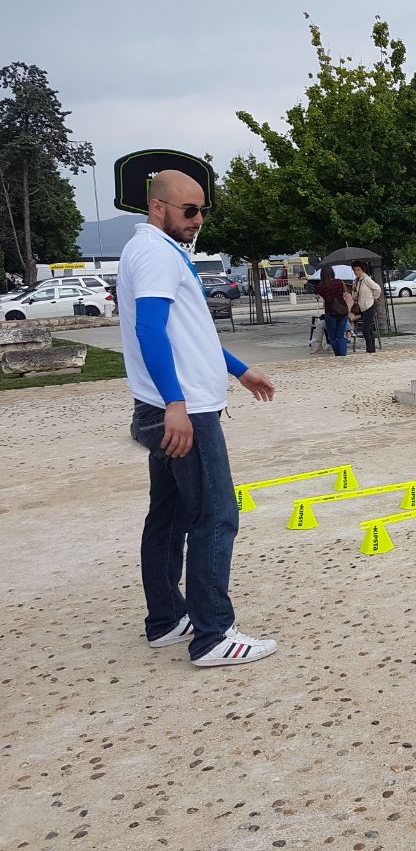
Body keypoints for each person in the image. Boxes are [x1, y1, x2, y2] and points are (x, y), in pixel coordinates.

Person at [116, 169, 278, 667]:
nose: (198, 219)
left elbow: (190, 335)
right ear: (158, 207)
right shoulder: (154, 254)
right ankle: (213, 635)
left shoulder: (156, 252)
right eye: (189, 210)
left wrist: (239, 369)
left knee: (168, 515)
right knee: (215, 515)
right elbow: (150, 330)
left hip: (168, 405)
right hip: (184, 411)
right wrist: (176, 404)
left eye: (203, 210)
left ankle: (166, 620)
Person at [315, 265, 350, 357]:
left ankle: (338, 355)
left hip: (330, 312)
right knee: (340, 335)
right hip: (342, 310)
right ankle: (343, 355)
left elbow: (320, 295)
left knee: (332, 336)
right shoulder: (339, 282)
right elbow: (345, 292)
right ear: (332, 272)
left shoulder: (320, 286)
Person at [350, 261, 382, 354]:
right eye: (355, 270)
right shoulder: (356, 280)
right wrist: (354, 289)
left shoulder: (366, 279)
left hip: (369, 305)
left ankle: (369, 349)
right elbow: (354, 296)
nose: (356, 272)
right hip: (362, 306)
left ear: (362, 270)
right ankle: (372, 349)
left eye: (358, 270)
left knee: (365, 329)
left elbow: (377, 289)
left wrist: (374, 298)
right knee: (369, 329)